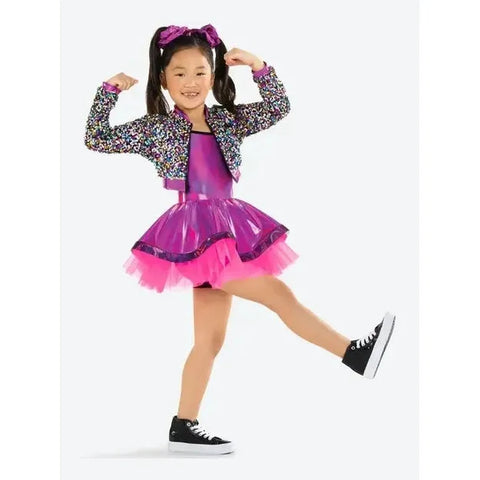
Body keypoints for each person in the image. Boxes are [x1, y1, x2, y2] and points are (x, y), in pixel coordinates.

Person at [84, 24, 396, 456]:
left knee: (209, 340)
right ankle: (353, 354)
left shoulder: (227, 120)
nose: (191, 82)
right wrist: (108, 91)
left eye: (200, 72)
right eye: (179, 74)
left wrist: (258, 66)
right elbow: (96, 138)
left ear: (213, 76)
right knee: (278, 295)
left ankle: (183, 426)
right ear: (163, 79)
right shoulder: (157, 129)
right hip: (196, 234)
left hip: (227, 228)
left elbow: (278, 107)